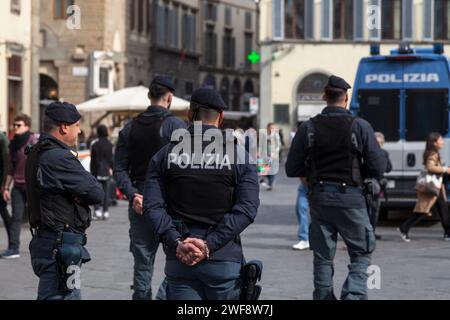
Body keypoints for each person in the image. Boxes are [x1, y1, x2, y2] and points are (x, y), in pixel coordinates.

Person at [142, 88, 260, 300]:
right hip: (223, 257)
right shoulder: (241, 157)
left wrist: (177, 241)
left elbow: (152, 207)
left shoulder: (164, 155)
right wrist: (209, 245)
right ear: (221, 117)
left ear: (189, 114)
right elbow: (247, 209)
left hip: (180, 257)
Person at [286, 75, 386, 300]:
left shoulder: (308, 127)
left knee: (322, 257)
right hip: (351, 199)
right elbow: (378, 167)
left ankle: (323, 297)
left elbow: (291, 168)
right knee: (361, 252)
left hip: (319, 199)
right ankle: (353, 295)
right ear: (346, 99)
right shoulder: (359, 126)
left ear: (324, 98)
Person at [114, 76, 187, 300]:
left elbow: (118, 168)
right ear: (170, 98)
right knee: (178, 259)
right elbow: (188, 167)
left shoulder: (129, 128)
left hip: (140, 200)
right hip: (169, 201)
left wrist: (132, 193)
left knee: (143, 260)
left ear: (149, 96)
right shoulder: (176, 126)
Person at [25, 102, 104, 300]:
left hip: (46, 241)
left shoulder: (36, 151)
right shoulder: (59, 157)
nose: (80, 131)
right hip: (61, 247)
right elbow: (96, 193)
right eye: (77, 126)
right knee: (64, 296)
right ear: (64, 127)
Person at [398, 132, 450, 242]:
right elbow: (430, 167)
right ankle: (404, 228)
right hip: (431, 187)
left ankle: (448, 232)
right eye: (440, 140)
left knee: (443, 209)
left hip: (437, 186)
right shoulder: (432, 154)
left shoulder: (434, 153)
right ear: (434, 143)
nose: (442, 142)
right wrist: (445, 169)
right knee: (422, 210)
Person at [1, 114, 39, 259]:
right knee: (16, 217)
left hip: (33, 186)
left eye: (19, 125)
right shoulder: (13, 144)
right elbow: (11, 168)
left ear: (27, 126)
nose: (15, 127)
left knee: (38, 217)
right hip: (17, 186)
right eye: (14, 125)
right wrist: (5, 187)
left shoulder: (34, 139)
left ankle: (43, 246)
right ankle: (13, 248)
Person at [368, 132, 392, 240]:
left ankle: (371, 231)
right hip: (371, 183)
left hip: (376, 184)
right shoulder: (373, 152)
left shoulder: (383, 153)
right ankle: (369, 232)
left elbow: (389, 167)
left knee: (374, 209)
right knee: (369, 209)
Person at [90, 124, 114, 220]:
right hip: (107, 170)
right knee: (106, 191)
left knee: (96, 191)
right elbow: (111, 158)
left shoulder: (95, 145)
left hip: (97, 170)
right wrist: (111, 168)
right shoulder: (110, 144)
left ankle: (97, 210)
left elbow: (93, 159)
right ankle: (106, 211)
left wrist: (92, 171)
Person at [260, 123, 281, 191]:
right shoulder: (264, 135)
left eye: (273, 128)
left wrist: (275, 153)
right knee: (264, 170)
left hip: (273, 156)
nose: (272, 129)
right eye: (271, 128)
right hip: (265, 155)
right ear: (267, 128)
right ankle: (266, 179)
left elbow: (278, 145)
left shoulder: (276, 135)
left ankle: (270, 184)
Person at [0, 126, 11, 250]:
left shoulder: (2, 139)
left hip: (0, 179)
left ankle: (12, 243)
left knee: (3, 210)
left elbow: (7, 163)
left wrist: (4, 185)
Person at [292, 179, 310, 251]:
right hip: (305, 186)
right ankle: (304, 239)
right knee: (300, 208)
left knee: (321, 213)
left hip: (320, 185)